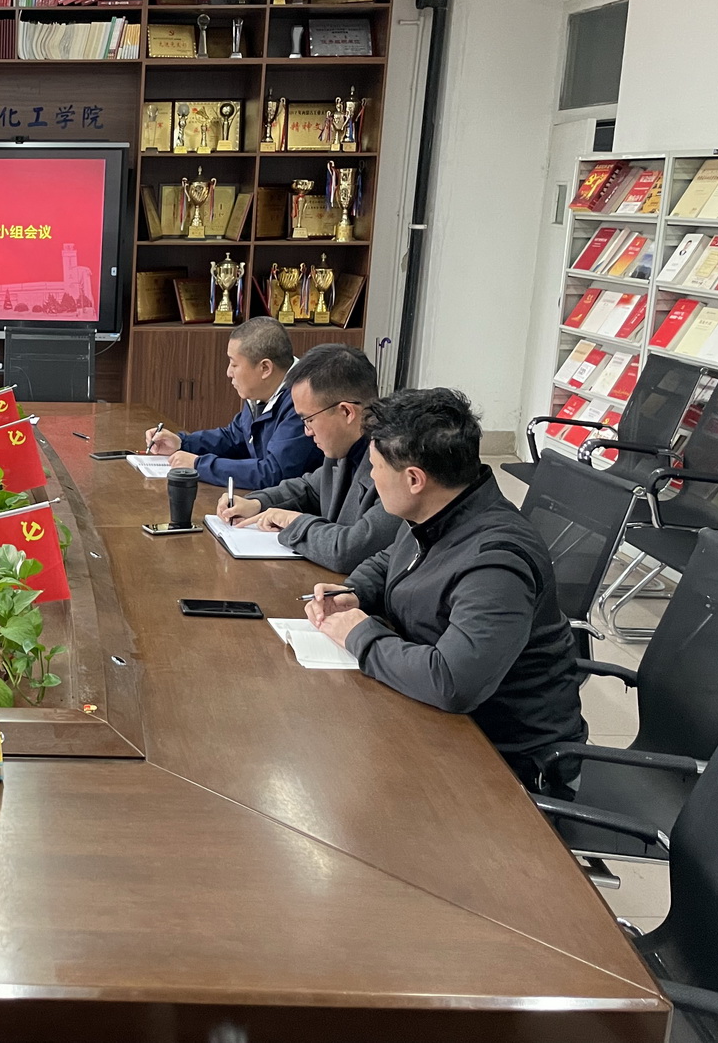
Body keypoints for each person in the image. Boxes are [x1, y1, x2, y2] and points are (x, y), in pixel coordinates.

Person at [305, 388, 588, 792]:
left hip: (507, 764)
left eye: (376, 467)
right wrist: (355, 592)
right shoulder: (439, 511)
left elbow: (452, 682)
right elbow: (391, 560)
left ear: (414, 479)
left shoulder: (497, 562)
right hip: (440, 721)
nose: (372, 478)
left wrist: (359, 635)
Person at [216, 343, 399, 573]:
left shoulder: (395, 466)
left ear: (346, 412)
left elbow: (348, 551)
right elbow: (309, 488)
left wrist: (293, 523)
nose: (306, 431)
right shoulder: (342, 447)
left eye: (309, 420)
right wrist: (258, 503)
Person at [144, 316, 321, 490]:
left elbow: (273, 473)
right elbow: (235, 438)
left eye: (234, 364)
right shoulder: (262, 391)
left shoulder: (303, 401)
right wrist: (183, 443)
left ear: (265, 368)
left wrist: (198, 465)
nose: (229, 372)